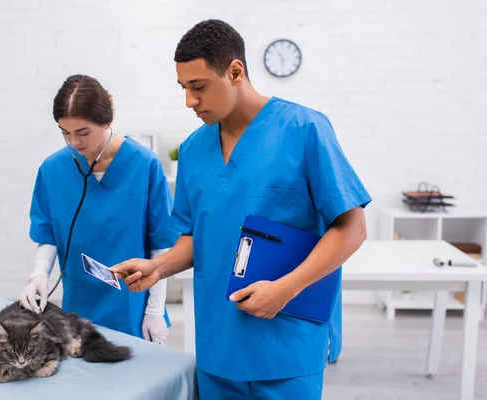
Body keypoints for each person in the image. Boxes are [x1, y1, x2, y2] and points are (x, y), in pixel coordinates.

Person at [111, 19, 372, 398]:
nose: (189, 101)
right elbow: (196, 235)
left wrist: (286, 288)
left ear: (235, 71)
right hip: (218, 346)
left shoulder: (304, 129)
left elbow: (352, 227)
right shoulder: (193, 151)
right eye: (183, 88)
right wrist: (158, 267)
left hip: (287, 345)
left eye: (199, 87)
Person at [20, 74, 179, 345]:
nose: (75, 142)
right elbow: (47, 233)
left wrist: (153, 311)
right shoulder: (52, 170)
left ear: (107, 122)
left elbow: (161, 245)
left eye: (83, 133)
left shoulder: (144, 165)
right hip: (78, 305)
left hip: (132, 305)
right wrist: (39, 275)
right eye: (65, 133)